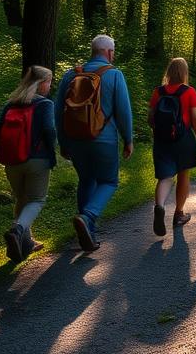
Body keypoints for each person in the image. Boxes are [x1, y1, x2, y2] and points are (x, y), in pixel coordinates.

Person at [55, 34, 133, 252]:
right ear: (109, 53)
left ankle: (88, 232)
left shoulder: (70, 75)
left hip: (75, 139)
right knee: (109, 181)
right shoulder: (114, 75)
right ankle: (87, 217)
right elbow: (123, 112)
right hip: (103, 138)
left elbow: (58, 112)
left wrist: (63, 141)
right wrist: (128, 139)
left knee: (86, 180)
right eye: (113, 52)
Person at [0, 65, 56, 262]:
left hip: (12, 161)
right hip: (37, 160)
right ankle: (17, 230)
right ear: (42, 83)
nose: (50, 86)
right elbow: (49, 131)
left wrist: (13, 146)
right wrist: (51, 148)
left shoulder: (11, 104)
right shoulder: (45, 105)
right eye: (49, 82)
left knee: (22, 199)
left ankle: (27, 242)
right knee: (36, 200)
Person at [149, 57, 196, 236]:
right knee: (183, 175)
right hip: (183, 139)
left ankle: (159, 206)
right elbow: (195, 120)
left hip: (161, 140)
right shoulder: (189, 92)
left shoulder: (157, 92)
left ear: (168, 72)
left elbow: (150, 120)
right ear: (184, 72)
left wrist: (162, 130)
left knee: (165, 177)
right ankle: (178, 214)